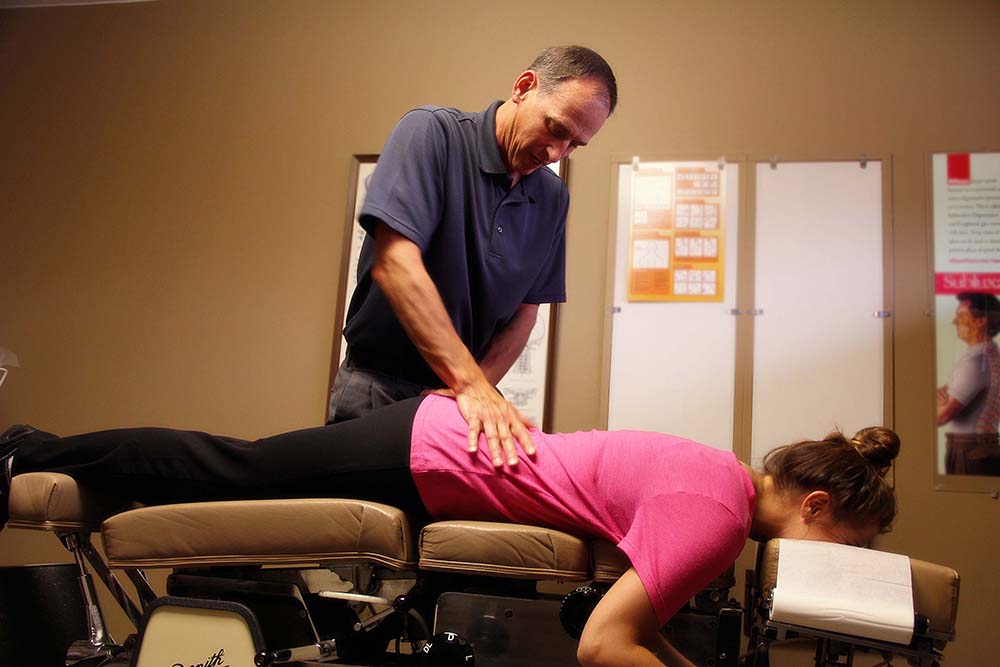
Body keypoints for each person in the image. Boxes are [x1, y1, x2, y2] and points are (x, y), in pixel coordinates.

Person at [1, 395, 897, 667]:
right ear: (816, 506)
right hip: (430, 455)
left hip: (435, 450)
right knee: (233, 465)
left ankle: (39, 443)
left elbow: (630, 624)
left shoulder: (717, 481)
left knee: (235, 459)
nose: (840, 562)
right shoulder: (718, 515)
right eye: (849, 543)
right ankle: (30, 448)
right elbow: (604, 647)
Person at [330, 46, 617, 470]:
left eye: (575, 144)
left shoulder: (552, 197)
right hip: (378, 387)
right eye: (555, 128)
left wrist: (474, 389)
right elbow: (395, 262)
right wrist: (470, 385)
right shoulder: (432, 133)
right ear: (523, 88)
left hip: (456, 399)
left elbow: (526, 312)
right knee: (364, 532)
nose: (557, 153)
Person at [937, 291, 1000, 476]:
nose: (955, 322)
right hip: (977, 447)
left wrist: (935, 400)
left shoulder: (975, 363)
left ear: (981, 321)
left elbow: (940, 416)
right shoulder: (986, 356)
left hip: (969, 450)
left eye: (962, 316)